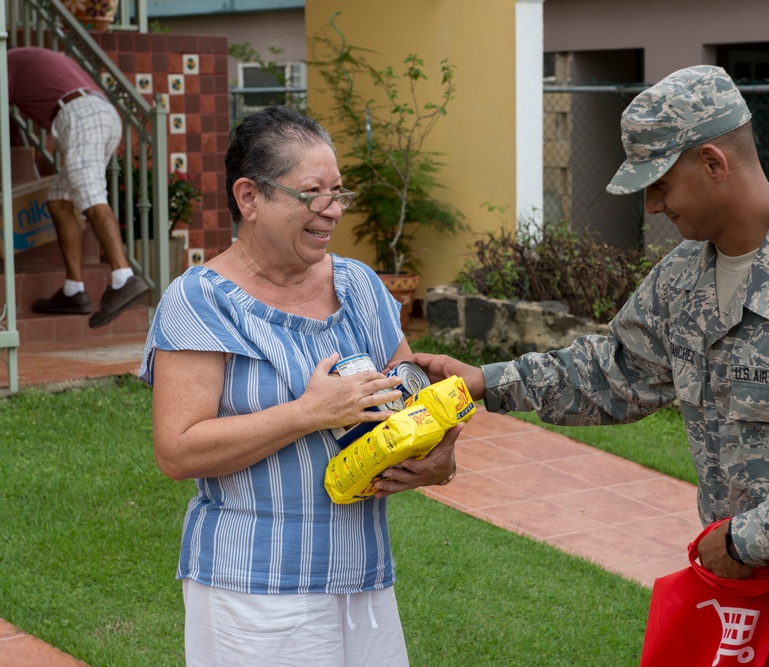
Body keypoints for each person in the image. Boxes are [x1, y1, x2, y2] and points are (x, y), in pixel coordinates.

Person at [409, 65, 769, 665]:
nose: (652, 205)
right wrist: (486, 382)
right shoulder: (682, 280)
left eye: (659, 183)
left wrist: (744, 540)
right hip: (753, 617)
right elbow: (613, 372)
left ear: (712, 162)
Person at [138, 105, 459, 666]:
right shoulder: (200, 301)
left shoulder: (359, 285)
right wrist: (308, 413)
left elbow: (411, 403)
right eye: (313, 193)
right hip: (252, 588)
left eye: (339, 192)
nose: (332, 211)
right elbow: (177, 449)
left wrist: (440, 455)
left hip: (362, 577)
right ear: (250, 197)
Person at [6, 46, 151, 328]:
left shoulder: (6, 62)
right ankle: (74, 290)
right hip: (101, 114)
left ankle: (124, 278)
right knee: (59, 201)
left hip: (79, 116)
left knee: (91, 195)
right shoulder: (35, 55)